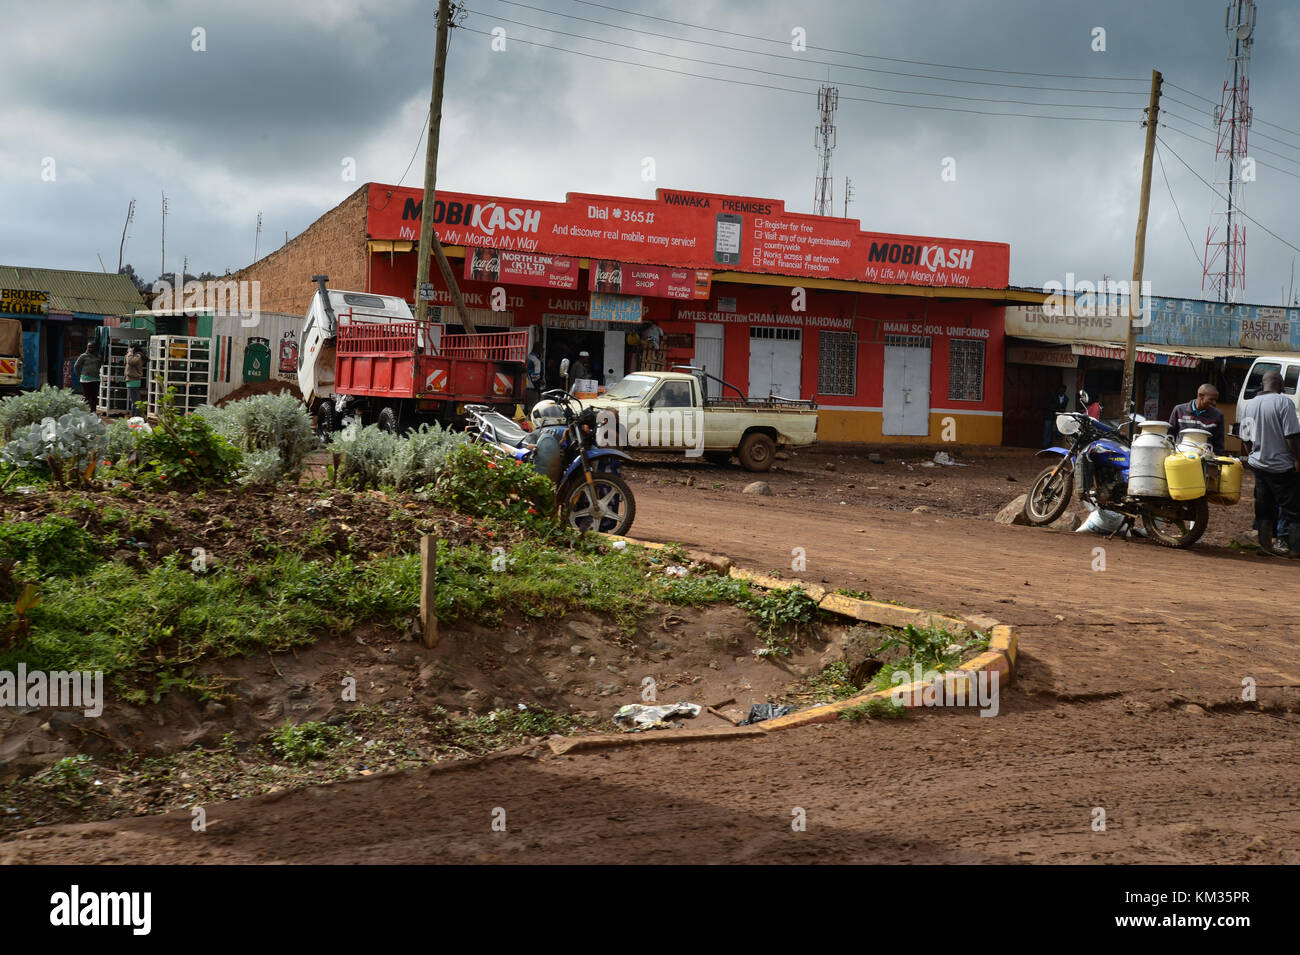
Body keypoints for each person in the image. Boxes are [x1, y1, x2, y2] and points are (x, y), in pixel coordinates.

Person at [1237, 369, 1300, 558]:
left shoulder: (1249, 405)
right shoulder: (1284, 403)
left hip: (1259, 466)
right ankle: (1296, 550)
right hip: (1282, 467)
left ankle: (1265, 547)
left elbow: (1246, 439)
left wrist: (1254, 456)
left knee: (1264, 507)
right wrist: (1298, 459)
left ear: (1262, 384)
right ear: (1280, 385)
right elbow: (1291, 437)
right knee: (1294, 510)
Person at [1168, 383, 1225, 454]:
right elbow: (1170, 435)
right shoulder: (1179, 410)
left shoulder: (1218, 415)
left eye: (1215, 400)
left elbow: (1219, 443)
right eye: (1211, 399)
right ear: (1200, 395)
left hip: (1205, 458)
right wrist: (1171, 452)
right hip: (1181, 456)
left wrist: (1216, 459)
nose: (1214, 403)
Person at [73, 342, 102, 411]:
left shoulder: (98, 356)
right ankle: (84, 411)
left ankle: (93, 412)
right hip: (86, 379)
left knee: (94, 396)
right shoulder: (83, 356)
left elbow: (99, 365)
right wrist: (80, 375)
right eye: (89, 347)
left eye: (92, 347)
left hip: (96, 379)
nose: (90, 348)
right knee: (86, 396)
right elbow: (76, 366)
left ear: (95, 348)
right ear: (87, 348)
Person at [122, 344, 144, 413]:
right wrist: (129, 354)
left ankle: (137, 415)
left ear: (133, 348)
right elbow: (126, 362)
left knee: (135, 400)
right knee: (133, 400)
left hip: (134, 380)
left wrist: (130, 354)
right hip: (130, 380)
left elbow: (130, 362)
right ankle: (135, 415)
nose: (128, 350)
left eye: (130, 348)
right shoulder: (132, 356)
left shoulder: (138, 356)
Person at [525, 343, 543, 408]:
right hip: (532, 386)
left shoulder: (528, 356)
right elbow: (536, 376)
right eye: (541, 349)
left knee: (527, 406)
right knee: (533, 406)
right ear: (537, 349)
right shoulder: (536, 360)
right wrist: (540, 382)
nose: (542, 351)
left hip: (525, 384)